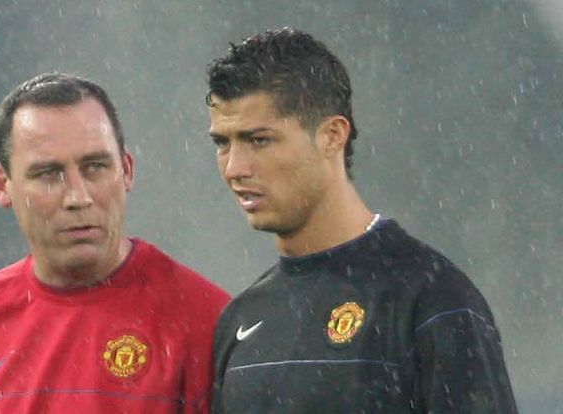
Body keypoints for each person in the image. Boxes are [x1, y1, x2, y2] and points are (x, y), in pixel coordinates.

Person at [0, 73, 230, 413]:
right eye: (48, 174)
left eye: (95, 167)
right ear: (3, 186)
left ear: (127, 171)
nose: (78, 196)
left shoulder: (206, 322)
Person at [205, 28, 517, 413]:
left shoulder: (431, 299)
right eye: (222, 143)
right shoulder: (241, 320)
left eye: (259, 140)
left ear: (332, 136)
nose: (235, 168)